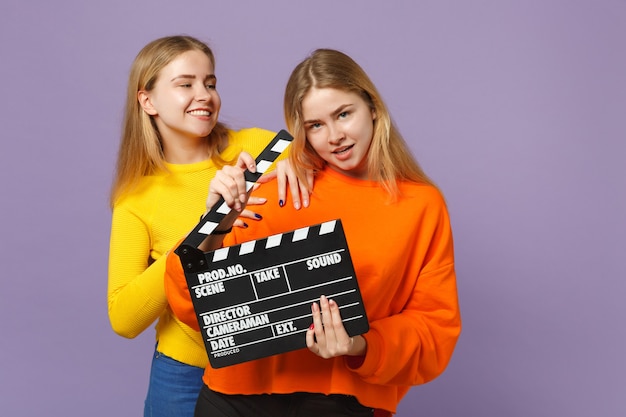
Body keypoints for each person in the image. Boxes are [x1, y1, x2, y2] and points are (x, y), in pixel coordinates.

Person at [165, 48, 461, 417]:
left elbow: (433, 330)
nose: (335, 135)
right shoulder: (274, 187)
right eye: (315, 125)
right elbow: (190, 303)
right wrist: (216, 220)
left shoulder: (422, 205)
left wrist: (359, 344)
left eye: (343, 114)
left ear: (372, 106)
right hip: (234, 399)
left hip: (343, 402)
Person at [107, 35, 311, 417]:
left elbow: (336, 181)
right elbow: (123, 318)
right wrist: (201, 233)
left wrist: (301, 161)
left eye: (210, 82)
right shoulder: (136, 198)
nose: (204, 94)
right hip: (185, 375)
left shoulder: (260, 148)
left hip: (270, 365)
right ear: (147, 100)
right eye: (185, 84)